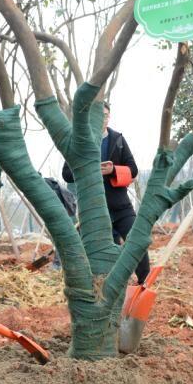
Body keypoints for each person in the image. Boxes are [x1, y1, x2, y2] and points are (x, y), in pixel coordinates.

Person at [61, 102, 150, 282]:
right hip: (94, 210)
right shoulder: (81, 141)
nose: (103, 118)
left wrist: (113, 170)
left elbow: (132, 169)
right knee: (105, 253)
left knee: (137, 243)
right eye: (99, 114)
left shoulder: (117, 139)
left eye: (106, 114)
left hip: (120, 205)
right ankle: (110, 290)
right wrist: (90, 169)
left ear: (109, 117)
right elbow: (67, 174)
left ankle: (143, 284)